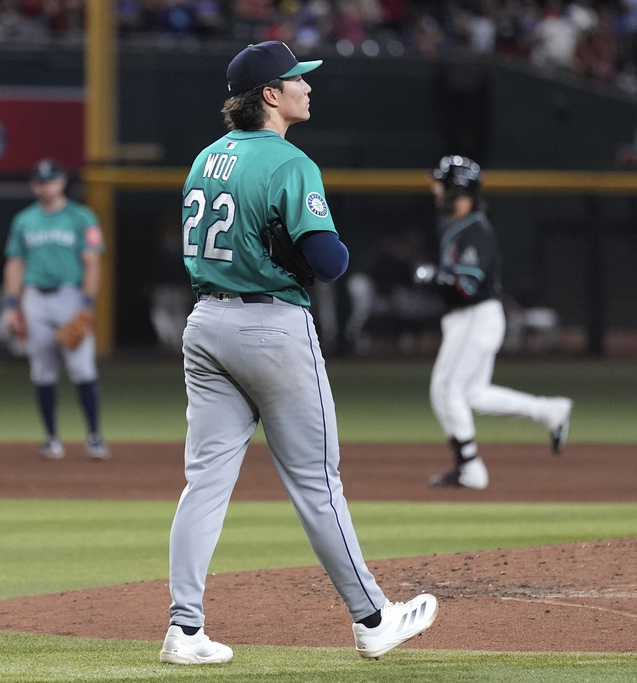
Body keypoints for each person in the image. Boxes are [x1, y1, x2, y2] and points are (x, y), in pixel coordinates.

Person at [161, 41, 438, 665]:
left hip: (205, 323)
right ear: (270, 95)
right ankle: (373, 619)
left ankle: (185, 629)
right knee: (316, 482)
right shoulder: (290, 162)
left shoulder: (206, 157)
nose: (307, 87)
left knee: (203, 483)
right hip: (271, 328)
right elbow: (329, 262)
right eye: (296, 80)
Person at [421, 155, 572, 490]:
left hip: (475, 317)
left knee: (445, 390)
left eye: (441, 184)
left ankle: (469, 467)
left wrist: (432, 277)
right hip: (471, 319)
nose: (435, 189)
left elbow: (466, 286)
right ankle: (549, 410)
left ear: (457, 190)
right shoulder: (459, 228)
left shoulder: (475, 232)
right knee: (473, 394)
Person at [1, 158, 109, 460]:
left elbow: (92, 262)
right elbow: (15, 263)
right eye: (40, 181)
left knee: (82, 368)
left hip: (70, 296)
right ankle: (51, 439)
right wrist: (11, 304)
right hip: (35, 298)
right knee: (42, 370)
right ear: (33, 185)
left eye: (50, 180)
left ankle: (94, 437)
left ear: (61, 182)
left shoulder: (82, 217)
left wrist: (87, 303)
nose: (45, 186)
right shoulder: (24, 220)